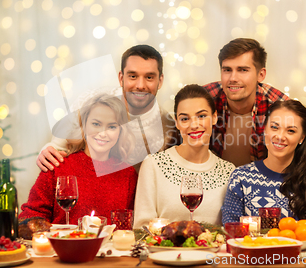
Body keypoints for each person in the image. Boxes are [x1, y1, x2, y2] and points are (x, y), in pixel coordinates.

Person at [204, 38, 306, 189]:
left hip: (259, 189)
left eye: (243, 70)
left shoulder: (279, 106)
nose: (233, 78)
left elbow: (302, 149)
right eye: (227, 70)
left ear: (261, 75)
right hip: (212, 185)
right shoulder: (204, 101)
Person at [36, 45, 179, 172]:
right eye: (133, 76)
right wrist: (47, 152)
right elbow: (56, 148)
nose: (140, 85)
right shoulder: (89, 103)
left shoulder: (169, 130)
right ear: (121, 78)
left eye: (149, 77)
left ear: (160, 81)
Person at [19, 94, 138, 224]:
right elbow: (30, 216)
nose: (103, 133)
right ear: (84, 125)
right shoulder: (58, 166)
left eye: (112, 127)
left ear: (120, 131)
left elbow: (132, 225)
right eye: (96, 124)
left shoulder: (128, 174)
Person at [134, 84, 236, 228]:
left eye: (201, 116)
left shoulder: (228, 171)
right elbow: (141, 228)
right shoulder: (153, 165)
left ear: (214, 118)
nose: (194, 125)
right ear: (176, 123)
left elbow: (228, 232)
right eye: (185, 119)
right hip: (164, 250)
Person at [221, 100, 306, 223]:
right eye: (274, 127)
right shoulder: (240, 178)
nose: (280, 136)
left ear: (302, 138)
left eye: (290, 131)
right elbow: (230, 230)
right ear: (265, 130)